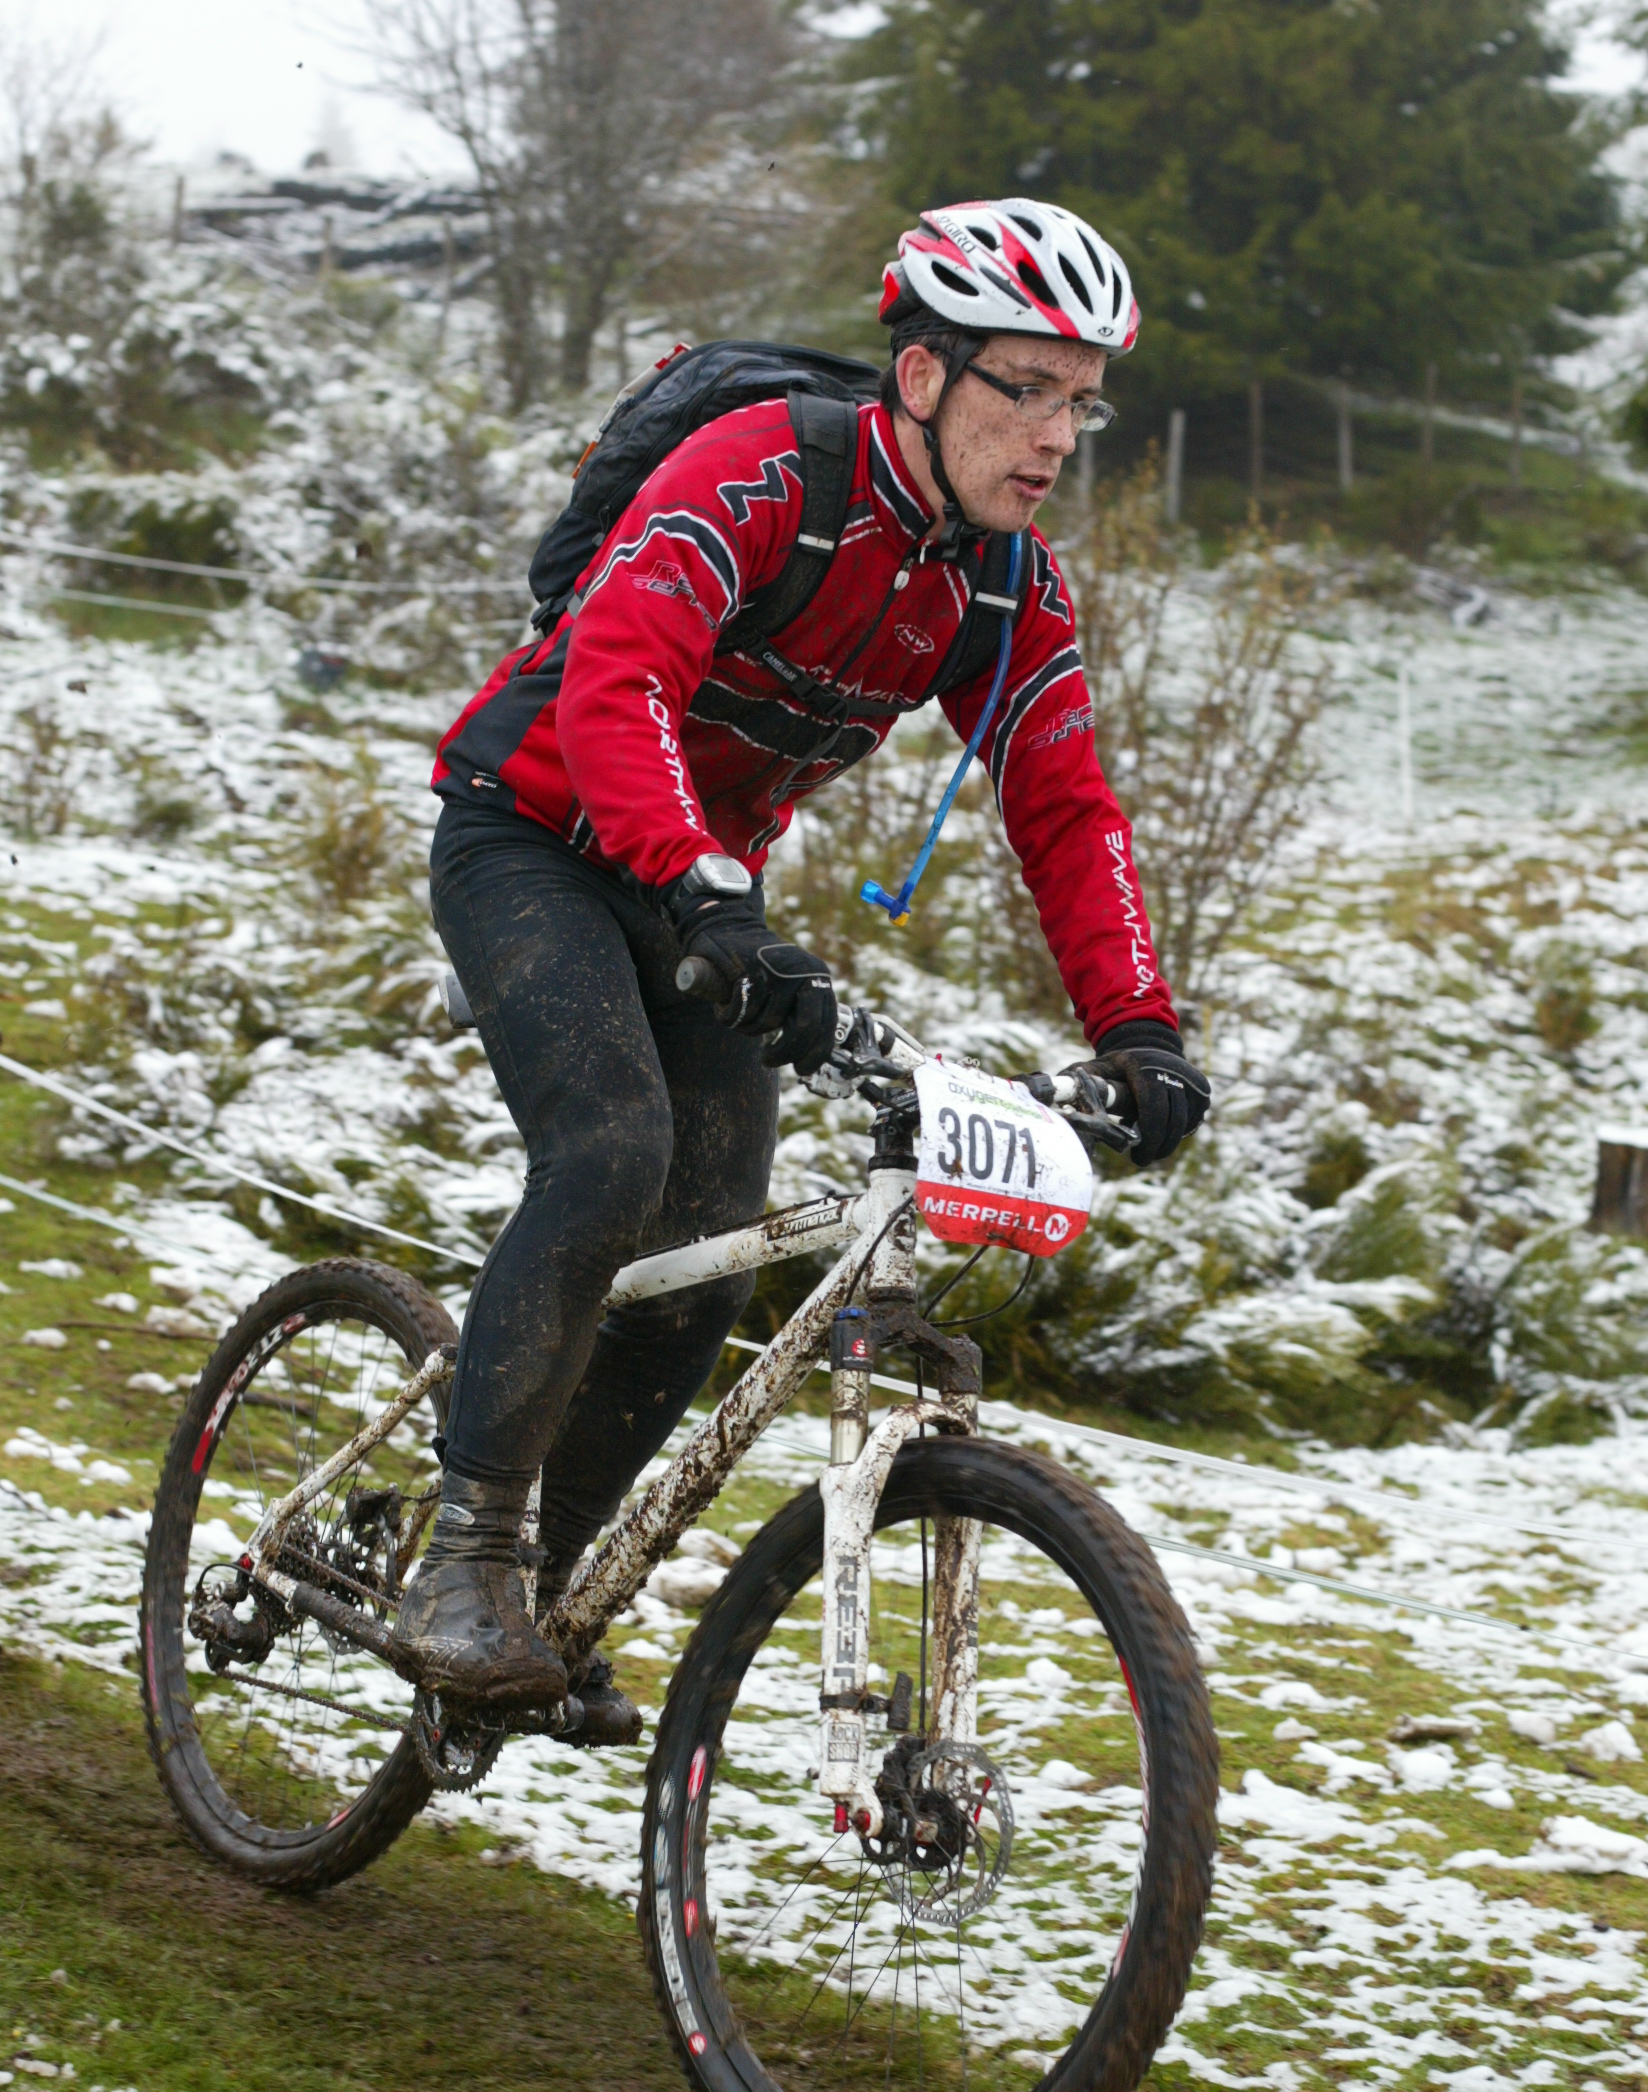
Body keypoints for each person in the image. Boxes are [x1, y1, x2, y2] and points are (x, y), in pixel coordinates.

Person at [394, 196, 1211, 1731]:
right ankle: (465, 1557)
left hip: (702, 891)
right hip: (534, 831)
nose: (1056, 436)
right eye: (1027, 387)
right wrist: (701, 886)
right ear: (924, 374)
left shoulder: (1007, 585)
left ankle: (539, 1592)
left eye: (1083, 402)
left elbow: (1065, 807)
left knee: (709, 1246)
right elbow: (620, 679)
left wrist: (1141, 1029)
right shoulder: (765, 467)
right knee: (612, 1154)